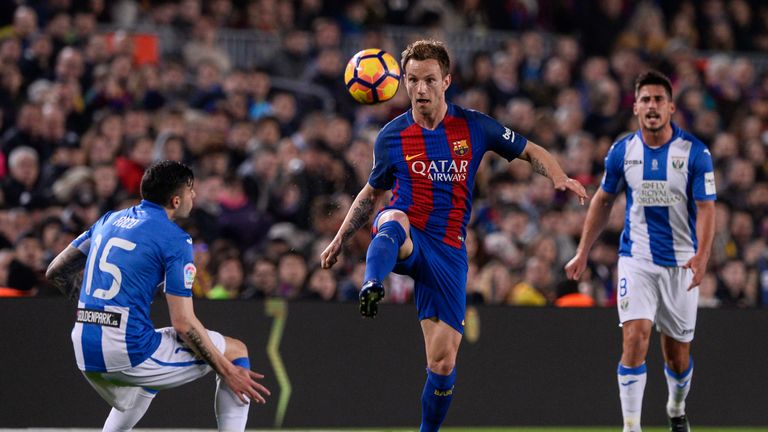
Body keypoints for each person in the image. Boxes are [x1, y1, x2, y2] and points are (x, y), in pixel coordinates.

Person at [320, 39, 588, 431]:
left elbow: (531, 151)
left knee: (442, 364)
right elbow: (371, 194)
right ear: (403, 82)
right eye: (412, 80)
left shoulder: (474, 126)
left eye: (429, 80)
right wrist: (340, 239)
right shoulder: (391, 136)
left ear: (446, 80)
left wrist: (560, 176)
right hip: (408, 234)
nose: (420, 89)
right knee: (392, 216)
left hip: (448, 252)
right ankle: (371, 284)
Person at [46, 160, 270, 432]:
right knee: (235, 352)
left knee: (152, 376)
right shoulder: (176, 239)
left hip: (84, 346)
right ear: (176, 200)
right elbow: (184, 324)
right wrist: (227, 371)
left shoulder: (108, 220)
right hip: (125, 352)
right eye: (191, 190)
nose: (194, 196)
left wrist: (95, 309)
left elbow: (56, 271)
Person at [565, 70, 716, 432]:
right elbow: (603, 201)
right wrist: (583, 250)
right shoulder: (622, 151)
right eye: (645, 100)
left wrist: (703, 256)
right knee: (635, 337)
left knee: (677, 358)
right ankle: (631, 428)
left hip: (681, 264)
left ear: (671, 107)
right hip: (637, 260)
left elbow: (708, 208)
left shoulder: (695, 153)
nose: (652, 106)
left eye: (658, 100)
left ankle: (676, 409)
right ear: (635, 108)